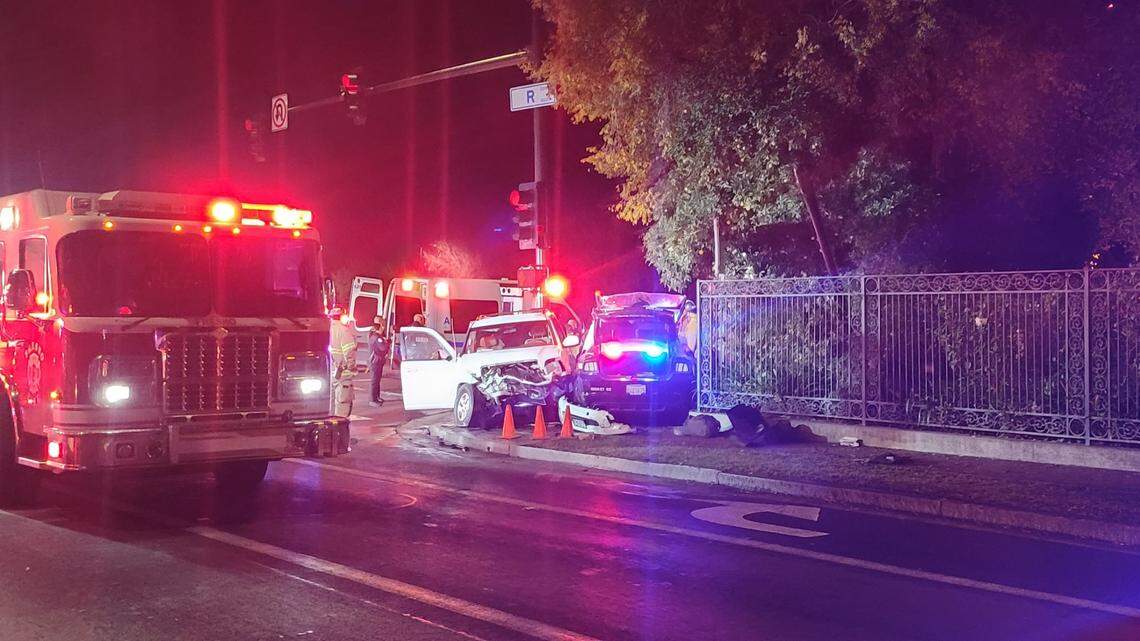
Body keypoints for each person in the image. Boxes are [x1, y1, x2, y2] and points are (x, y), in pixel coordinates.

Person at [328, 308, 356, 417]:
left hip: (330, 372)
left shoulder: (327, 329)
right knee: (343, 402)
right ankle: (339, 423)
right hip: (342, 374)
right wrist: (351, 366)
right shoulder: (344, 330)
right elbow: (349, 351)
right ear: (341, 317)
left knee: (330, 402)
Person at [368, 316, 391, 407]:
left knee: (377, 380)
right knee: (375, 381)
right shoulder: (377, 337)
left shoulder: (375, 336)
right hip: (375, 361)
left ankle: (376, 397)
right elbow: (383, 348)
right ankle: (373, 400)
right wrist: (387, 343)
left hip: (377, 361)